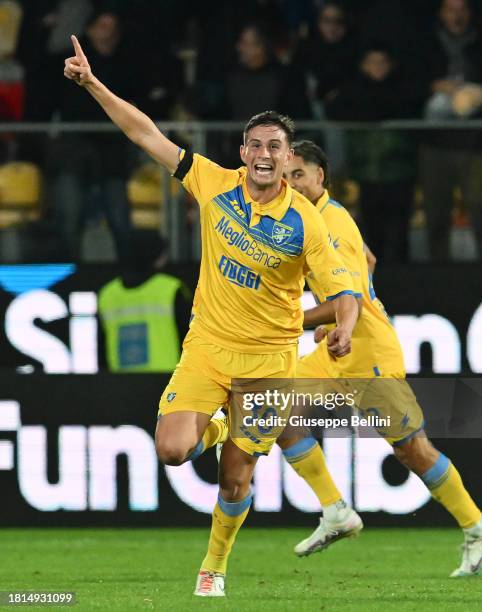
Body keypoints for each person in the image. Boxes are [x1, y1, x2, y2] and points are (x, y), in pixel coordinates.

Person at [63, 36, 359, 596]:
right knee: (172, 450)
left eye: (275, 145)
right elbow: (145, 133)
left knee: (235, 477)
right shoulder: (215, 183)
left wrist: (343, 325)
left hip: (269, 362)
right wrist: (92, 84)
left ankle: (214, 566)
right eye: (255, 144)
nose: (264, 154)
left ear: (288, 155)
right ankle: (218, 424)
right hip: (207, 346)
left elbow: (341, 286)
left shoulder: (306, 222)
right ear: (243, 151)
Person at [280, 140, 482, 577]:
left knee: (412, 450)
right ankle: (335, 510)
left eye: (299, 174)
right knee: (276, 406)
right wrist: (342, 323)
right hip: (339, 348)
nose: (290, 183)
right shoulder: (309, 220)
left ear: (321, 177)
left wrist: (303, 319)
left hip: (368, 354)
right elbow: (368, 261)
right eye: (286, 176)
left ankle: (476, 527)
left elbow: (346, 293)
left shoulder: (330, 224)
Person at [325, 43, 419, 262]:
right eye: (372, 62)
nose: (377, 67)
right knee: (371, 232)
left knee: (400, 232)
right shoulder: (353, 89)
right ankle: (376, 285)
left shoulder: (402, 89)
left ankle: (406, 283)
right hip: (366, 172)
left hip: (399, 171)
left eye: (382, 62)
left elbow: (405, 108)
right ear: (363, 65)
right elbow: (334, 110)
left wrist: (368, 109)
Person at [420, 0, 482, 260]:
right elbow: (410, 82)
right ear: (442, 14)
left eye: (461, 10)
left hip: (475, 145)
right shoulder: (426, 44)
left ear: (470, 13)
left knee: (479, 212)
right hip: (436, 145)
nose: (456, 16)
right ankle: (438, 276)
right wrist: (436, 87)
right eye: (451, 10)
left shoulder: (479, 44)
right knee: (436, 215)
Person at [98, 230, 191, 373]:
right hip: (167, 383)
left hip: (120, 385)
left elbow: (101, 350)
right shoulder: (171, 289)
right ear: (157, 256)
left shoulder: (107, 294)